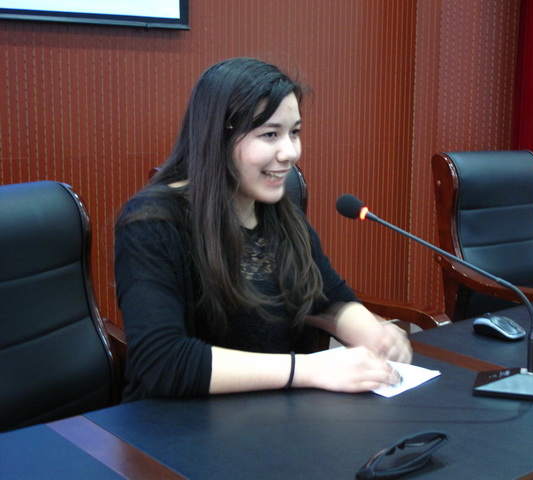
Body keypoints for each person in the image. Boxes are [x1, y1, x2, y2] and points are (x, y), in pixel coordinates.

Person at [114, 57, 412, 402]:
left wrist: (370, 331)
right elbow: (162, 362)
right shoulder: (153, 223)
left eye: (294, 132)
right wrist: (312, 369)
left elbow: (327, 297)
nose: (290, 152)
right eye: (270, 134)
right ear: (218, 138)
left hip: (271, 411)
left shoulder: (279, 212)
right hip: (178, 420)